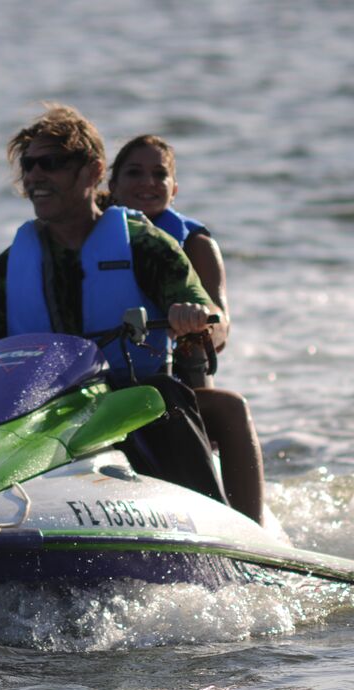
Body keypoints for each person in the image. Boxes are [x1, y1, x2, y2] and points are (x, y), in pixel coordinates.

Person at [0, 104, 243, 515]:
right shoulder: (8, 266)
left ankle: (216, 521)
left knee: (168, 394)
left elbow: (207, 315)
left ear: (92, 171)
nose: (34, 177)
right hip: (36, 412)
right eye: (29, 166)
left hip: (128, 402)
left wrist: (194, 316)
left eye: (51, 163)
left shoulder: (146, 246)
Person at [105, 134, 264, 524]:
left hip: (177, 386)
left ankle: (251, 533)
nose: (148, 183)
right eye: (134, 172)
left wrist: (198, 321)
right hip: (98, 384)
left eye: (160, 175)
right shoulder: (85, 237)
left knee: (231, 407)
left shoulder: (193, 242)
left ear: (174, 190)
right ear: (111, 184)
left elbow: (220, 325)